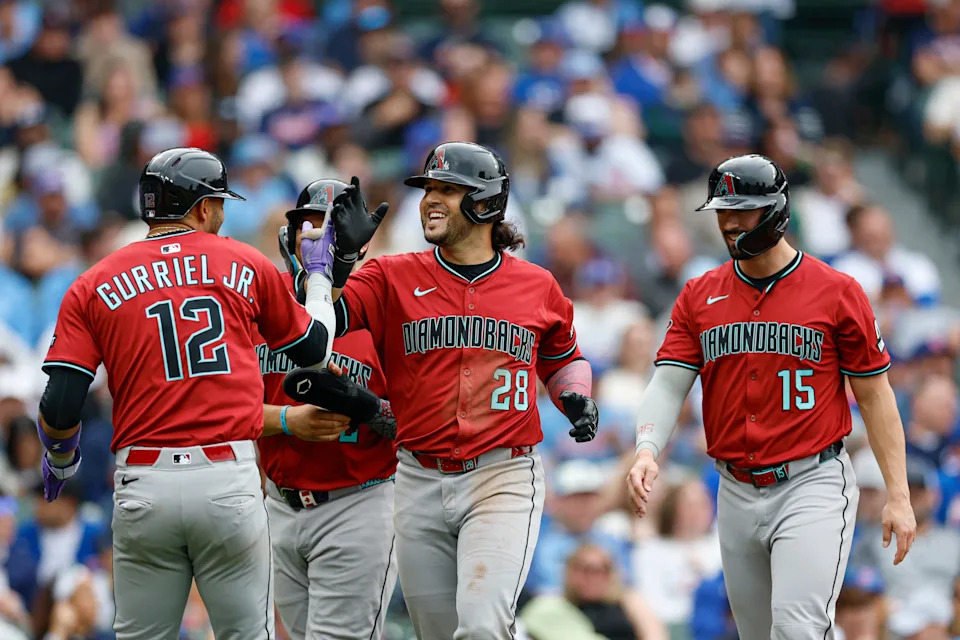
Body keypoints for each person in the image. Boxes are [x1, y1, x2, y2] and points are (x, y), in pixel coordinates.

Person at [35, 147, 365, 639]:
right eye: (220, 205)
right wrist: (318, 277)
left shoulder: (93, 282)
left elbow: (60, 404)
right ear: (203, 207)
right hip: (225, 480)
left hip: (142, 483)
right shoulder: (243, 261)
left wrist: (60, 459)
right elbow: (315, 350)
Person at [284, 141, 600, 639]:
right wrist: (338, 262)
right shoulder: (391, 275)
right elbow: (323, 324)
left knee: (479, 627)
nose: (432, 199)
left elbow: (563, 359)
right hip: (418, 477)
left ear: (487, 203)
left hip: (503, 474)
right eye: (430, 188)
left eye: (449, 190)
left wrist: (575, 396)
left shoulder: (537, 285)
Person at [624, 154, 917, 640]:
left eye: (743, 209)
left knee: (797, 630)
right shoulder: (700, 293)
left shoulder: (837, 290)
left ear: (777, 212)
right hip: (734, 487)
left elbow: (876, 396)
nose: (730, 221)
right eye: (722, 210)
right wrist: (647, 447)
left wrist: (898, 495)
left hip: (811, 481)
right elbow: (670, 379)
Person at [257, 178, 399, 640]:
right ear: (289, 235)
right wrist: (285, 421)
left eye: (333, 227)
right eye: (308, 224)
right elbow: (218, 411)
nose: (318, 237)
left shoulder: (382, 302)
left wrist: (366, 406)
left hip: (357, 501)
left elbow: (423, 423)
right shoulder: (260, 300)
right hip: (278, 504)